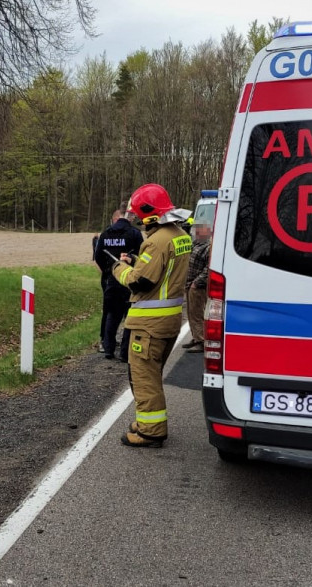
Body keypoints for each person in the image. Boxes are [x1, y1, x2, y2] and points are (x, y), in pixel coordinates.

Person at [111, 184, 192, 448]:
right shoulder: (179, 235)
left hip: (149, 324)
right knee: (151, 373)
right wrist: (138, 260)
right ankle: (147, 422)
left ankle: (150, 431)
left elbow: (140, 282)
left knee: (144, 376)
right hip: (168, 322)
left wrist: (119, 268)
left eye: (138, 215)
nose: (138, 221)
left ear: (149, 214)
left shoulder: (156, 241)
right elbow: (162, 272)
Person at [94, 208, 144, 361]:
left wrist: (109, 271)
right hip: (129, 281)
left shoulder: (106, 234)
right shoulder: (134, 233)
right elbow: (142, 257)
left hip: (112, 280)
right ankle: (124, 353)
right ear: (128, 217)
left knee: (111, 315)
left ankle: (108, 349)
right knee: (130, 316)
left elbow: (98, 257)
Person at [182, 226, 211, 353]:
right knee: (191, 313)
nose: (197, 232)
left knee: (197, 313)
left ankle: (201, 340)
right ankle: (195, 337)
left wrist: (197, 282)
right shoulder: (195, 243)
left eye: (201, 230)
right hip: (189, 284)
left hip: (197, 286)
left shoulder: (208, 247)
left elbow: (208, 269)